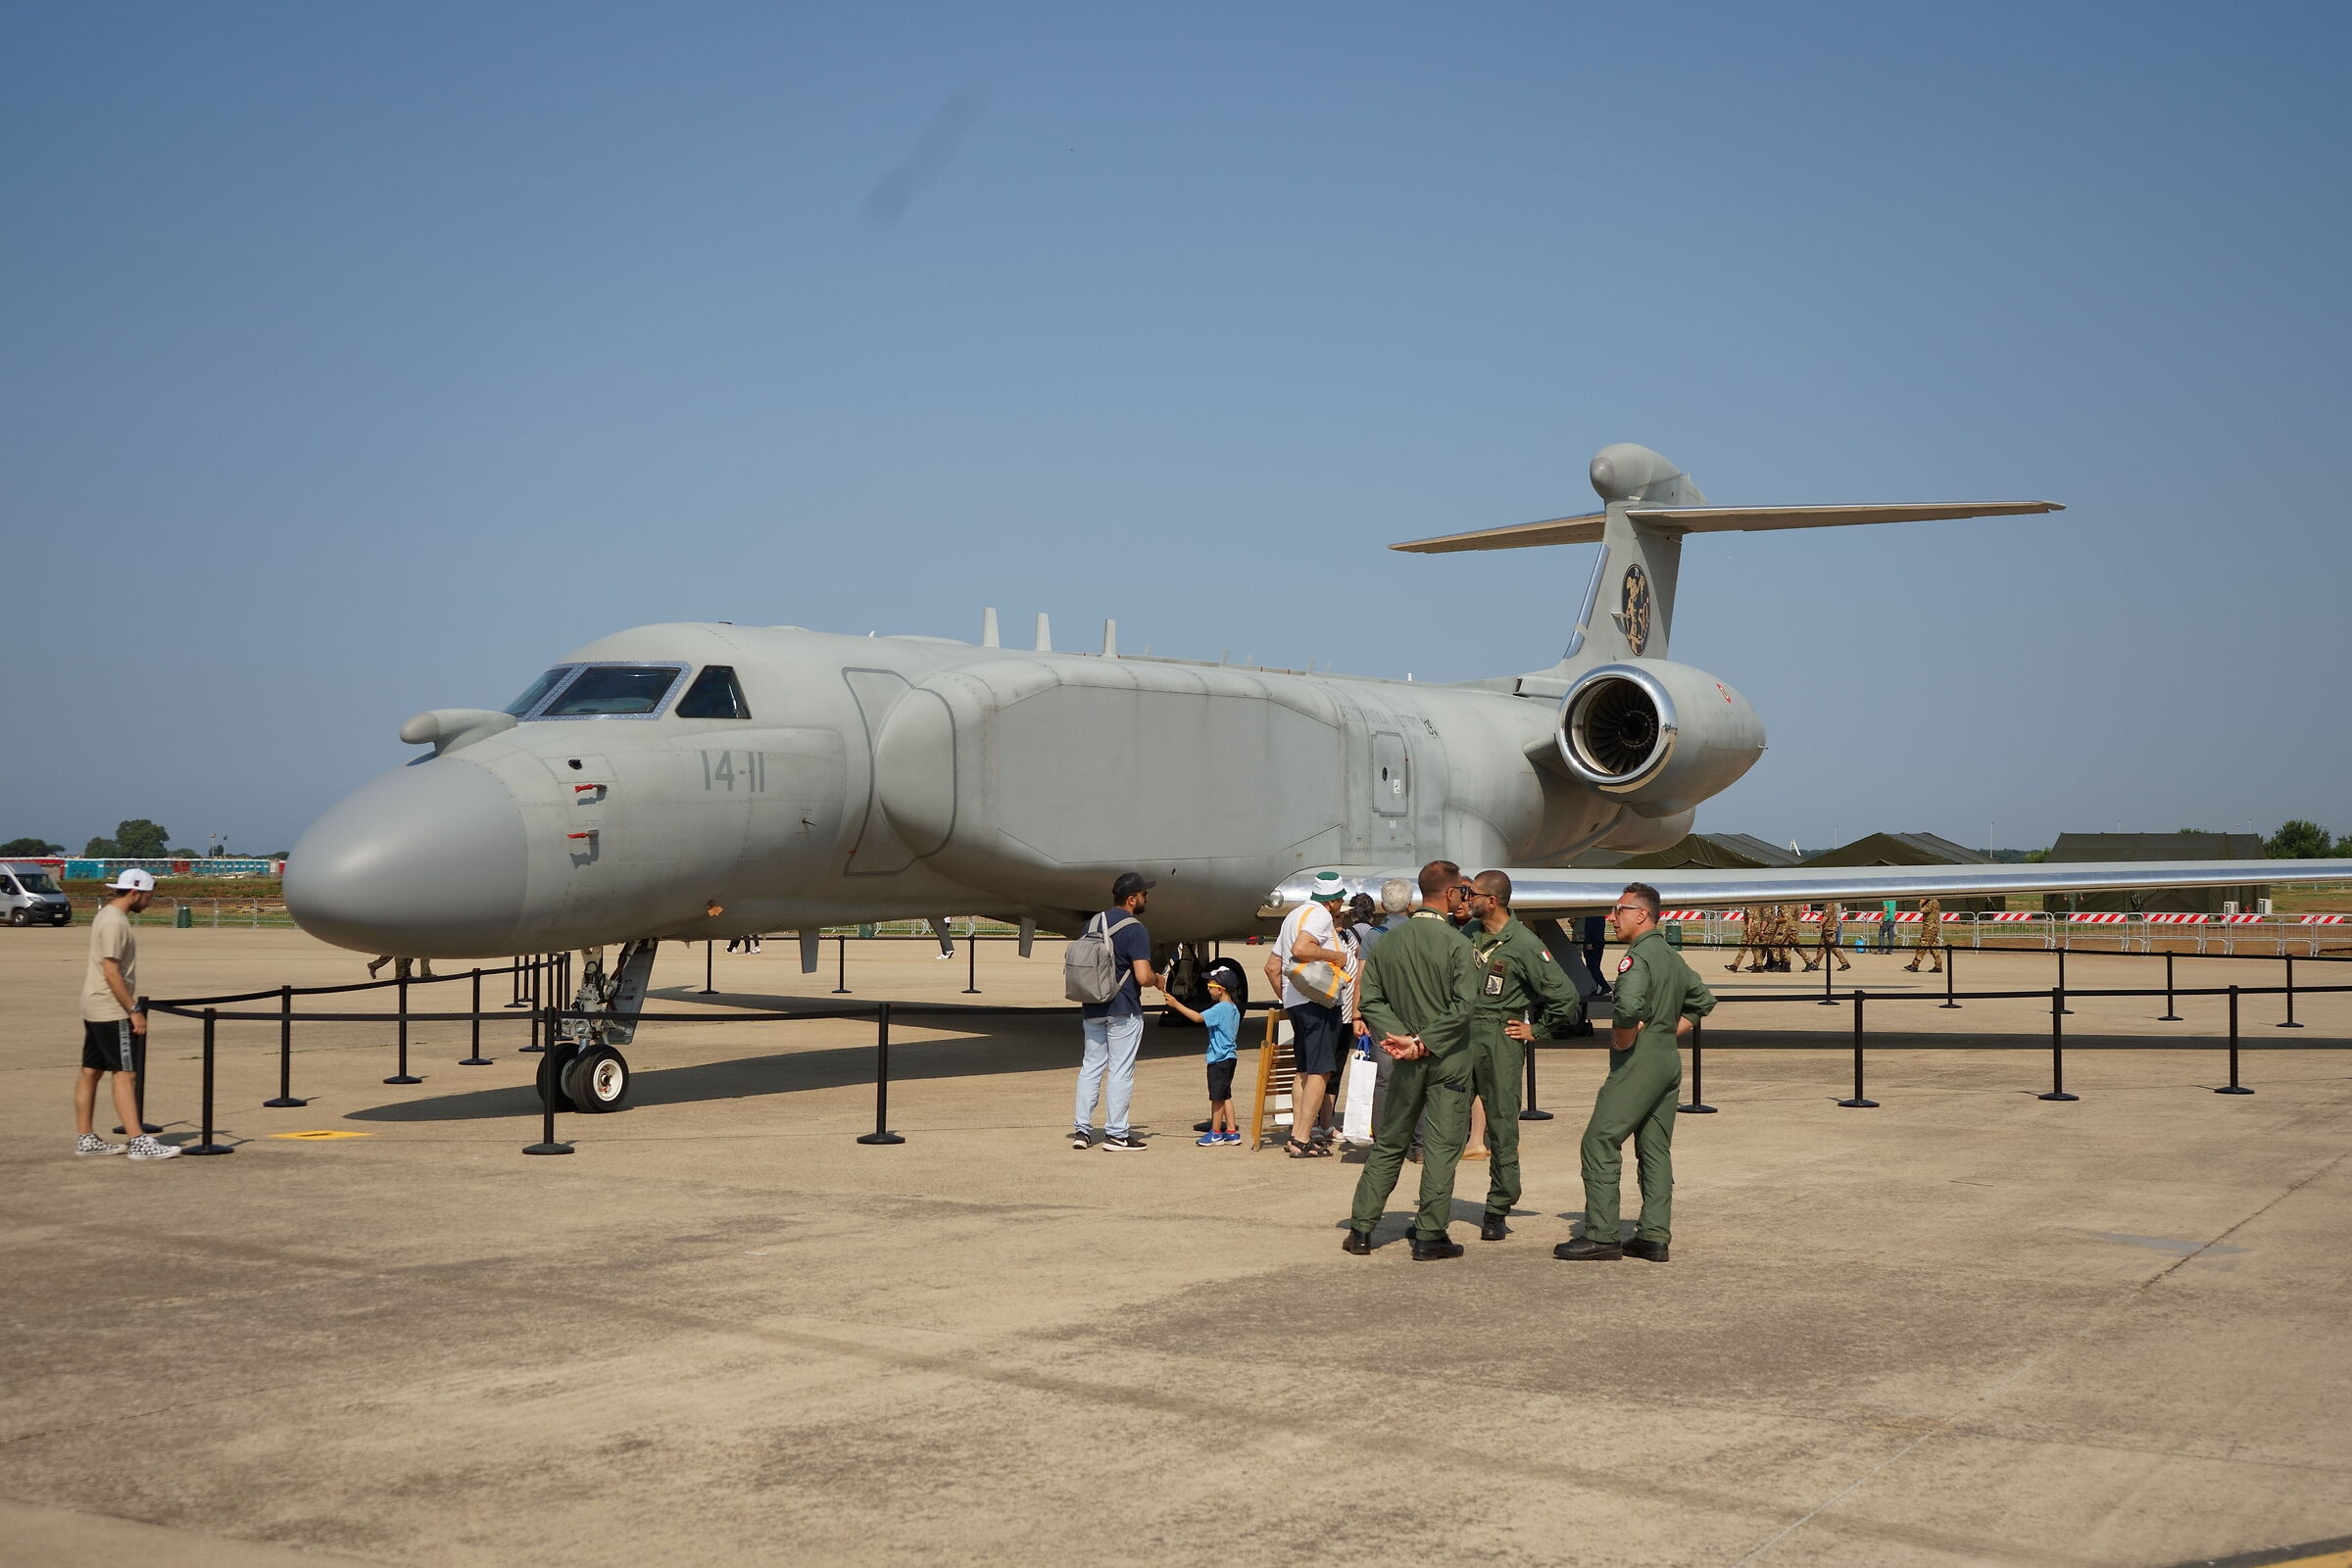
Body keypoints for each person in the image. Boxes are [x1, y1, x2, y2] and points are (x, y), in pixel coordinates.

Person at [1557, 882, 1714, 1262]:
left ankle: (1602, 1234)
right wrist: (1665, 1031)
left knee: (1598, 1142)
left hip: (1639, 1065)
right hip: (1666, 1061)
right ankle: (1654, 1236)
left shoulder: (1636, 959)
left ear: (1641, 914)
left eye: (1619, 910)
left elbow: (1627, 1006)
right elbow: (1702, 1000)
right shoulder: (1670, 956)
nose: (1611, 918)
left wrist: (1625, 1037)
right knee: (1655, 1149)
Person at [1342, 861, 1481, 1260]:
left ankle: (1362, 1229)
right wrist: (1424, 1041)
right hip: (1448, 1059)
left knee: (1389, 1143)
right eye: (1462, 893)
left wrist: (1403, 1041)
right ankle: (1430, 1234)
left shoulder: (1386, 943)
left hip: (1402, 1058)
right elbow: (1464, 1005)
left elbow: (1371, 1002)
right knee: (1439, 1148)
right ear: (1451, 893)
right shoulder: (1457, 945)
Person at [1463, 870, 1585, 1241]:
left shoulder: (1525, 944)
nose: (1466, 899)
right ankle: (1434, 1211)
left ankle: (1498, 1207)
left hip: (1501, 1039)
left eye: (1473, 894)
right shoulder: (1467, 935)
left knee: (1501, 1124)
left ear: (1493, 900)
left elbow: (1566, 997)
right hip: (1461, 1036)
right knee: (1445, 1120)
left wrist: (1538, 1030)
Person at [74, 868, 177, 1160]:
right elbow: (111, 970)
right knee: (125, 1074)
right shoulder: (115, 922)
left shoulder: (106, 915)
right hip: (110, 1007)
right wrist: (133, 1009)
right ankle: (138, 1140)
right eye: (148, 897)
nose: (149, 902)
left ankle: (86, 1137)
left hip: (94, 1004)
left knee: (91, 1071)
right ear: (134, 893)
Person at [1072, 872, 1167, 1152]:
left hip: (1092, 1004)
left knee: (1090, 1068)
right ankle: (1116, 1134)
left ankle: (1082, 1130)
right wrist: (1158, 979)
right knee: (1120, 1071)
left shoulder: (1093, 922)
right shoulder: (1136, 929)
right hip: (1123, 1008)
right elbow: (1141, 975)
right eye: (1144, 893)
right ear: (1131, 898)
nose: (1146, 897)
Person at [1265, 871, 1352, 1157]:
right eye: (1340, 898)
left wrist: (1288, 998)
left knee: (1303, 1071)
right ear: (1334, 900)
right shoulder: (1321, 917)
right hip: (1318, 1002)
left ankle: (1296, 1135)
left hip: (1296, 1002)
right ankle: (1302, 1137)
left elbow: (1271, 966)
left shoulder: (1293, 915)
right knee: (1321, 1070)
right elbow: (1301, 948)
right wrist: (1336, 957)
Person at [1163, 973, 1243, 1145]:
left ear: (1220, 990)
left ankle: (1215, 1132)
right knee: (1225, 1094)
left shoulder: (1220, 1009)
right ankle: (1231, 1131)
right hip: (1230, 1058)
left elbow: (1198, 1018)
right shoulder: (1233, 1008)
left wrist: (1176, 1004)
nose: (1207, 990)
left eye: (1210, 987)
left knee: (1217, 1097)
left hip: (1218, 1059)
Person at [1804, 900, 1851, 972]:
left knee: (1833, 946)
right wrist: (1821, 913)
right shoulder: (1829, 904)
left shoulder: (1829, 903)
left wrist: (1818, 926)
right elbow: (1827, 914)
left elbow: (1826, 917)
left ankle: (1845, 963)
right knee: (1822, 946)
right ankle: (1816, 963)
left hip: (1829, 928)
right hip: (1827, 928)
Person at [1906, 898, 1946, 972]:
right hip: (1934, 927)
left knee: (1922, 945)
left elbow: (1922, 910)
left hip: (1929, 928)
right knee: (1933, 947)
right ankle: (1938, 965)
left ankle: (1915, 965)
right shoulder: (1936, 901)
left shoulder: (1930, 902)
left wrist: (1921, 903)